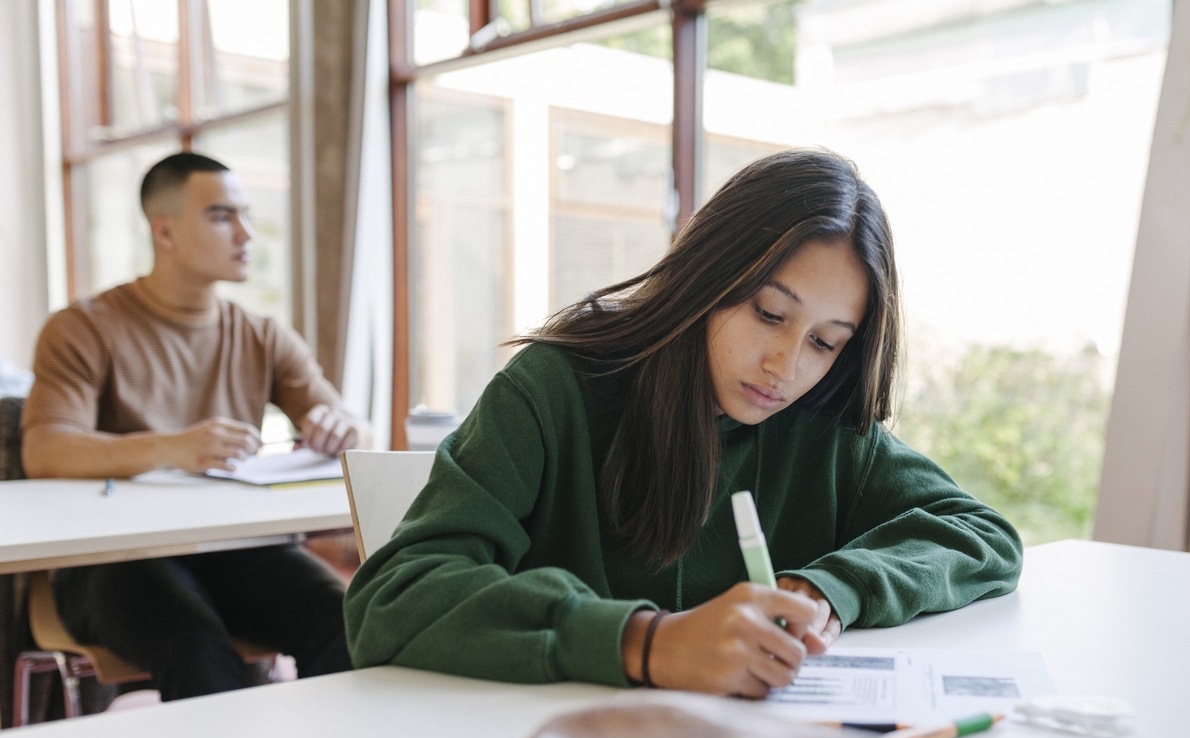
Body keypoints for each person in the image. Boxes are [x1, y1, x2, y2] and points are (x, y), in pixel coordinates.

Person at [345, 149, 1023, 697]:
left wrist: (828, 588)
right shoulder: (555, 389)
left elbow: (983, 535)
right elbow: (392, 598)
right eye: (768, 313)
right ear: (709, 277)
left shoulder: (825, 426)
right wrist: (646, 641)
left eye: (825, 341)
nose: (786, 365)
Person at [22, 152, 363, 701]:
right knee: (195, 646)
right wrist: (173, 447)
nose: (247, 233)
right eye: (222, 216)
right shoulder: (83, 328)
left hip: (236, 548)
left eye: (245, 215)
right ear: (165, 231)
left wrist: (339, 424)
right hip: (113, 559)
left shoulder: (261, 334)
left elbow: (346, 421)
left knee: (354, 621)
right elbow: (45, 448)